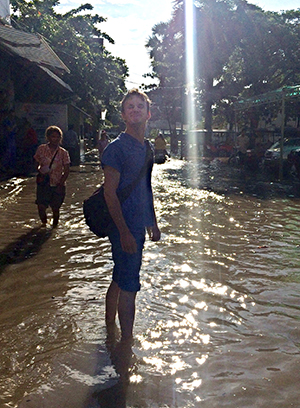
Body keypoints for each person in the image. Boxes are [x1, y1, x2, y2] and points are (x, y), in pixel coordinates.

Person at [101, 89, 161, 343]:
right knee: (130, 286)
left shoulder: (146, 147)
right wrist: (124, 232)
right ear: (123, 115)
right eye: (130, 107)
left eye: (140, 106)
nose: (135, 110)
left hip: (138, 223)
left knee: (120, 275)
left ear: (148, 114)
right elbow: (109, 194)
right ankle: (126, 345)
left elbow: (146, 186)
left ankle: (109, 330)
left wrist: (153, 222)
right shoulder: (116, 149)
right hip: (122, 225)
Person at [34, 126, 70, 228]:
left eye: (58, 137)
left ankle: (54, 228)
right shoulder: (41, 149)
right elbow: (35, 163)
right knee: (41, 206)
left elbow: (67, 170)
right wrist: (40, 171)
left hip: (57, 183)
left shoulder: (63, 153)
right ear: (48, 137)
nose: (55, 139)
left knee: (55, 209)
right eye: (53, 136)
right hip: (43, 183)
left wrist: (61, 183)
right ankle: (44, 226)